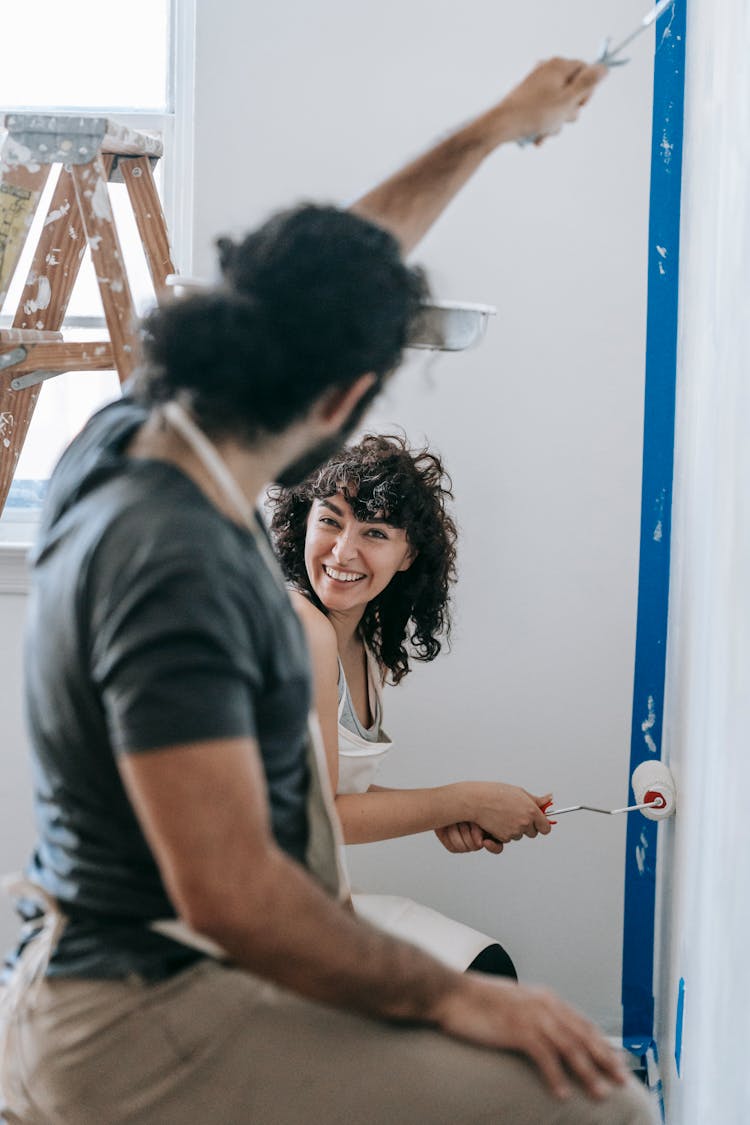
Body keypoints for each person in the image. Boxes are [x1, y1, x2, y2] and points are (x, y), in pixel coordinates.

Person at [0, 59, 656, 1125]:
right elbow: (236, 894)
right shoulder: (184, 573)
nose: (347, 547)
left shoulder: (124, 436)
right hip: (129, 1021)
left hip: (151, 975)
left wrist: (494, 128)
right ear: (347, 401)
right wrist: (457, 1003)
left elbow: (331, 270)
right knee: (597, 1103)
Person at [271, 432, 551, 979]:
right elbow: (318, 816)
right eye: (329, 520)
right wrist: (459, 800)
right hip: (242, 915)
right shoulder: (299, 627)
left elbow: (324, 787)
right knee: (483, 985)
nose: (343, 550)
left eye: (374, 532)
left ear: (407, 557)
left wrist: (458, 809)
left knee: (487, 972)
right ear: (304, 522)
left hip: (306, 898)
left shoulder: (362, 640)